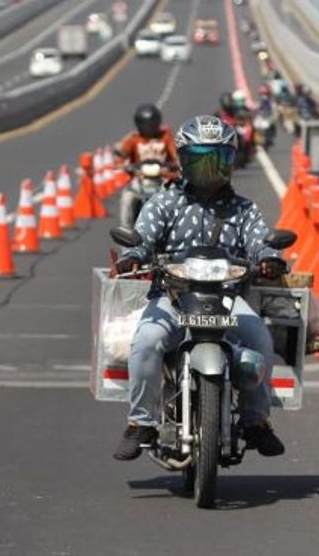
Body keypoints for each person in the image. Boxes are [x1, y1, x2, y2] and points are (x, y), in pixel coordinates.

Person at [113, 115, 288, 461]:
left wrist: (268, 258)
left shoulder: (244, 210)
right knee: (146, 341)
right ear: (183, 160)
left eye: (217, 159)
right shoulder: (164, 203)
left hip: (228, 297)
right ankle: (140, 422)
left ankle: (257, 421)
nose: (208, 169)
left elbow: (259, 243)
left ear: (231, 162)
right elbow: (143, 237)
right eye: (199, 159)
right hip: (173, 296)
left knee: (259, 340)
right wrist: (133, 255)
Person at [114, 104, 179, 229]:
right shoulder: (133, 139)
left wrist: (176, 164)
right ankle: (125, 231)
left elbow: (176, 155)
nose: (149, 128)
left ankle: (178, 227)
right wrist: (123, 164)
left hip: (163, 176)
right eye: (146, 125)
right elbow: (121, 155)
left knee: (178, 197)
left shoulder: (166, 136)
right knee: (127, 199)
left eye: (152, 125)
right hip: (140, 178)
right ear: (139, 125)